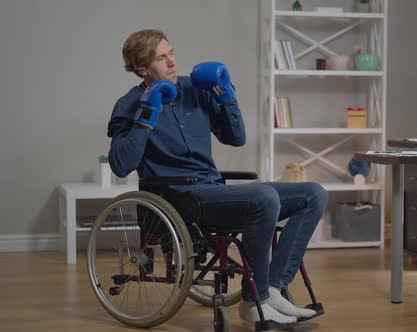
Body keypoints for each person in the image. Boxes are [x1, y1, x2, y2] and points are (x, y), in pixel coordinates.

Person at [107, 29, 328, 325]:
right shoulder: (130, 104)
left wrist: (228, 97)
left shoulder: (195, 89)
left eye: (171, 52)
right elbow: (121, 165)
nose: (172, 62)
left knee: (314, 194)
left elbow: (235, 138)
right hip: (178, 199)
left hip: (210, 189)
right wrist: (147, 114)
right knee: (264, 198)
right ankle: (254, 300)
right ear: (141, 68)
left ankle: (272, 288)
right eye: (161, 57)